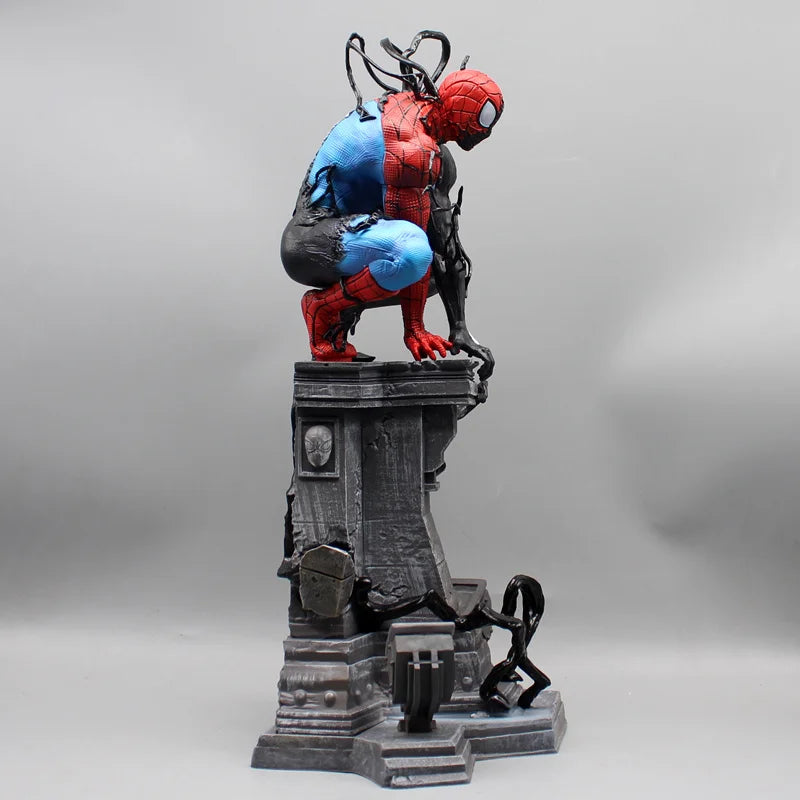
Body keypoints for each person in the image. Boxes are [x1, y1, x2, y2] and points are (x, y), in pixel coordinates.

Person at [281, 32, 500, 378]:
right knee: (414, 255)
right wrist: (414, 329)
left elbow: (446, 245)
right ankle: (322, 308)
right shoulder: (412, 149)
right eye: (486, 117)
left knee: (431, 272)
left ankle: (336, 312)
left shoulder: (434, 149)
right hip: (309, 241)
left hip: (351, 233)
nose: (487, 130)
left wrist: (459, 327)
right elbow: (413, 240)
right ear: (463, 110)